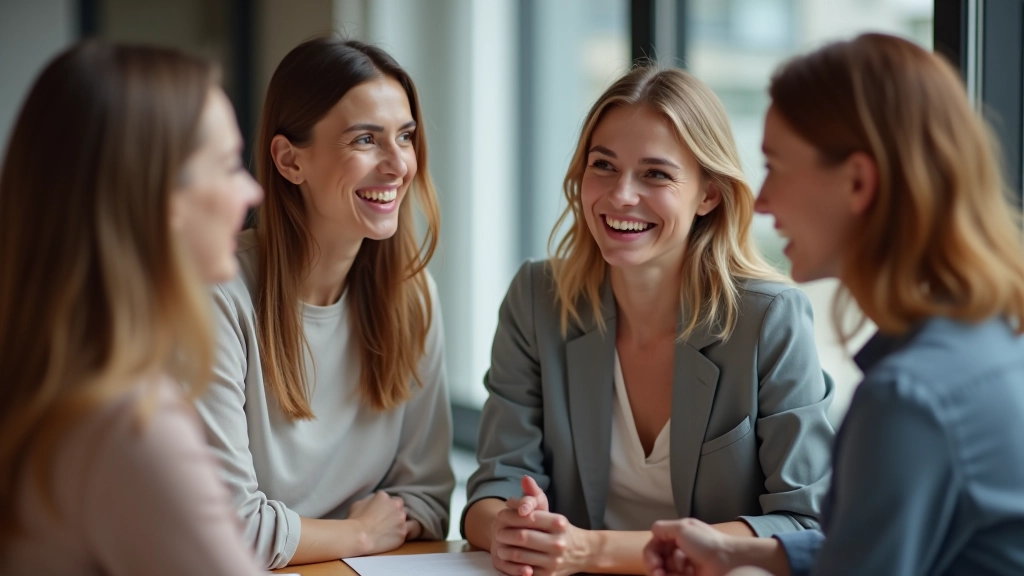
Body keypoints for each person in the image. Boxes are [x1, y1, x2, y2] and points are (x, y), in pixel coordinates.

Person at [643, 33, 1024, 576]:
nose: (763, 199)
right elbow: (881, 543)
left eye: (776, 165)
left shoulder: (909, 400)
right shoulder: (990, 337)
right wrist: (739, 552)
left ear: (858, 182)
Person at [463, 65, 836, 576]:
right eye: (604, 166)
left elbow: (803, 521)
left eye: (656, 174)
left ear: (708, 194)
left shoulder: (769, 318)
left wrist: (590, 550)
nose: (621, 196)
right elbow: (495, 483)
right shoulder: (537, 298)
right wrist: (509, 528)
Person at [0, 41, 264, 575]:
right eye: (229, 166)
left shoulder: (51, 389)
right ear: (160, 198)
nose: (252, 191)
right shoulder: (128, 426)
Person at [194, 37, 454, 569]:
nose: (397, 164)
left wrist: (314, 538)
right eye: (365, 140)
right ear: (290, 161)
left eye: (405, 137)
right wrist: (357, 535)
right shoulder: (215, 293)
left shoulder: (411, 295)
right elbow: (227, 528)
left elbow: (427, 497)